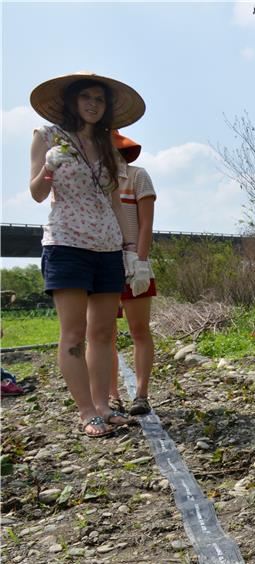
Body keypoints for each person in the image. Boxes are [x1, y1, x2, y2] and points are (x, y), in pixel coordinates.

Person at [29, 71, 145, 437]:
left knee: (104, 332)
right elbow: (35, 193)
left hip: (107, 246)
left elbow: (114, 200)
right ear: (72, 101)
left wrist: (130, 251)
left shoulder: (109, 146)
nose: (93, 105)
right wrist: (48, 165)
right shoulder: (47, 137)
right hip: (66, 243)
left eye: (99, 99)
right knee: (74, 333)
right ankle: (87, 412)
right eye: (86, 98)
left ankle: (104, 406)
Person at [107, 130, 157, 415]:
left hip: (132, 260)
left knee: (139, 330)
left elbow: (146, 223)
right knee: (105, 333)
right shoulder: (93, 179)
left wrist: (140, 261)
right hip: (102, 259)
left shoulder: (138, 176)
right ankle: (112, 395)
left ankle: (141, 393)